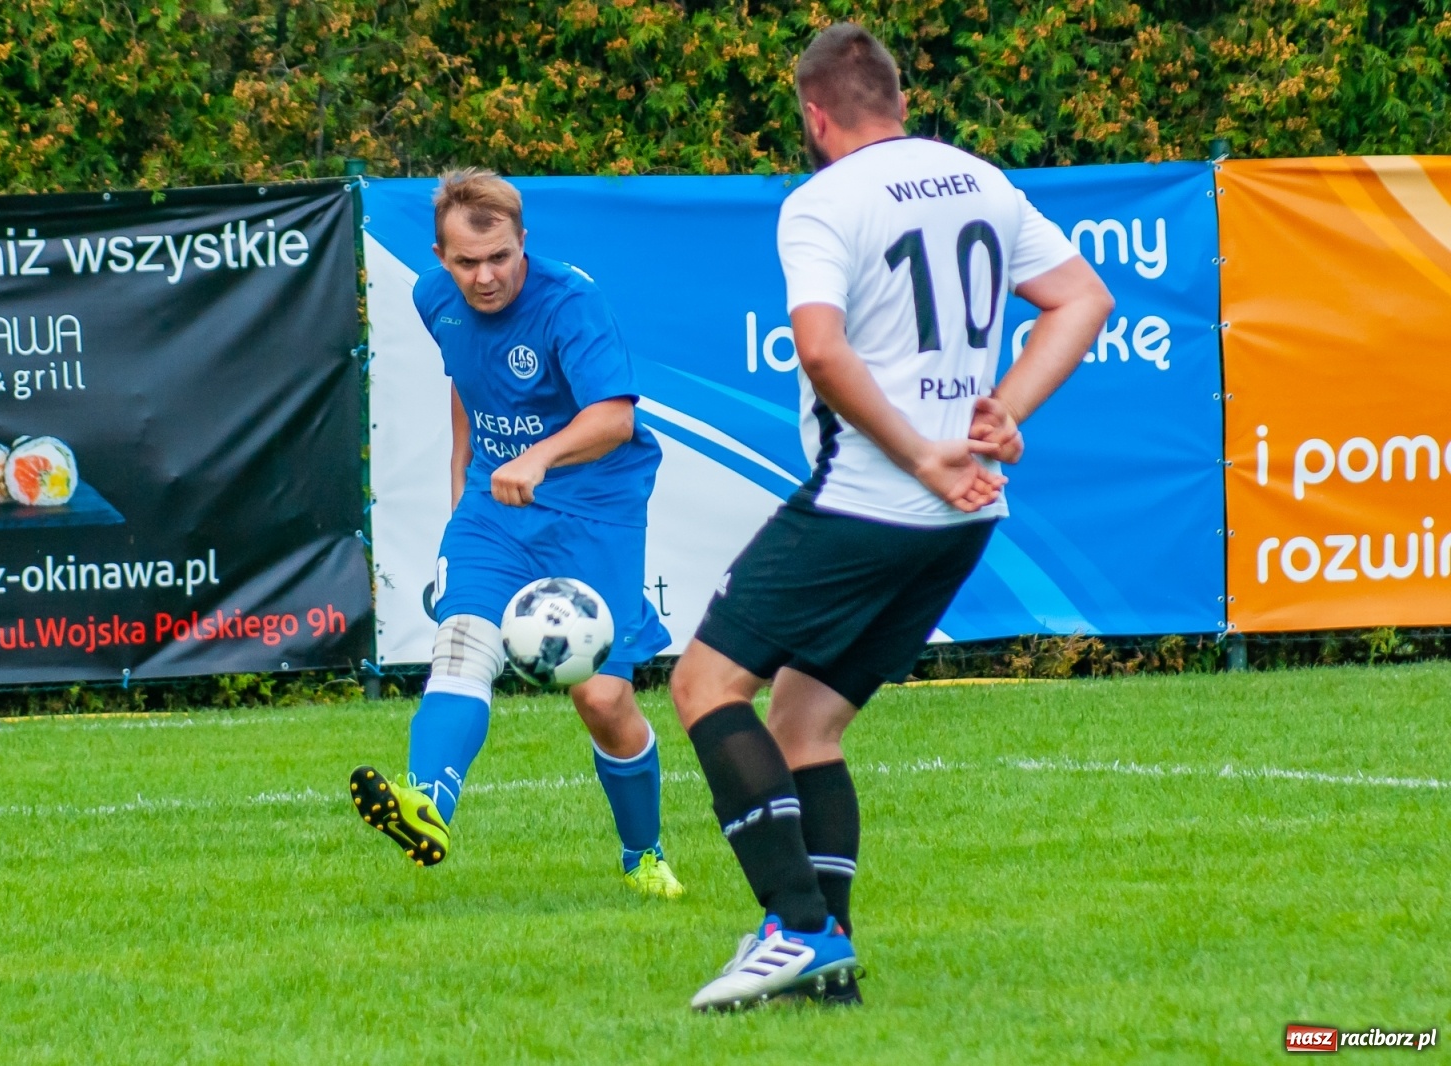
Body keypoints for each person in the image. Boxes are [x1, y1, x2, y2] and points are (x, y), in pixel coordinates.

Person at [670, 24, 1113, 1009]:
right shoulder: (978, 179)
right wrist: (1004, 407)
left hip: (870, 499)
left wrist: (917, 450)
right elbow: (1082, 298)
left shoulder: (820, 201)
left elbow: (822, 353)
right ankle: (828, 974)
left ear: (815, 118)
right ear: (902, 102)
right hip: (964, 515)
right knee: (807, 722)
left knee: (704, 685)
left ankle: (792, 923)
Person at [350, 168, 684, 899]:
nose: (485, 276)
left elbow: (615, 419)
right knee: (462, 641)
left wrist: (538, 456)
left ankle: (644, 855)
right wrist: (461, 497)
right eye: (467, 262)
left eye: (499, 257)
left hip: (596, 508)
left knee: (600, 700)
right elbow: (469, 387)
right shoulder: (432, 297)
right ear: (441, 258)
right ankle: (428, 806)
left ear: (522, 242)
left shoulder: (571, 304)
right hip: (494, 508)